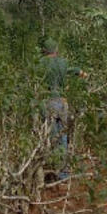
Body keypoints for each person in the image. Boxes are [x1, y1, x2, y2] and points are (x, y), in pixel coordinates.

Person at [40, 38, 87, 181]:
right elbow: (77, 71)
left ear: (44, 51)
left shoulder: (40, 63)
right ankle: (64, 173)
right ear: (56, 50)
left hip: (47, 102)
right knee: (63, 136)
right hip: (62, 102)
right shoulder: (63, 63)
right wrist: (82, 74)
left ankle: (52, 169)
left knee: (51, 137)